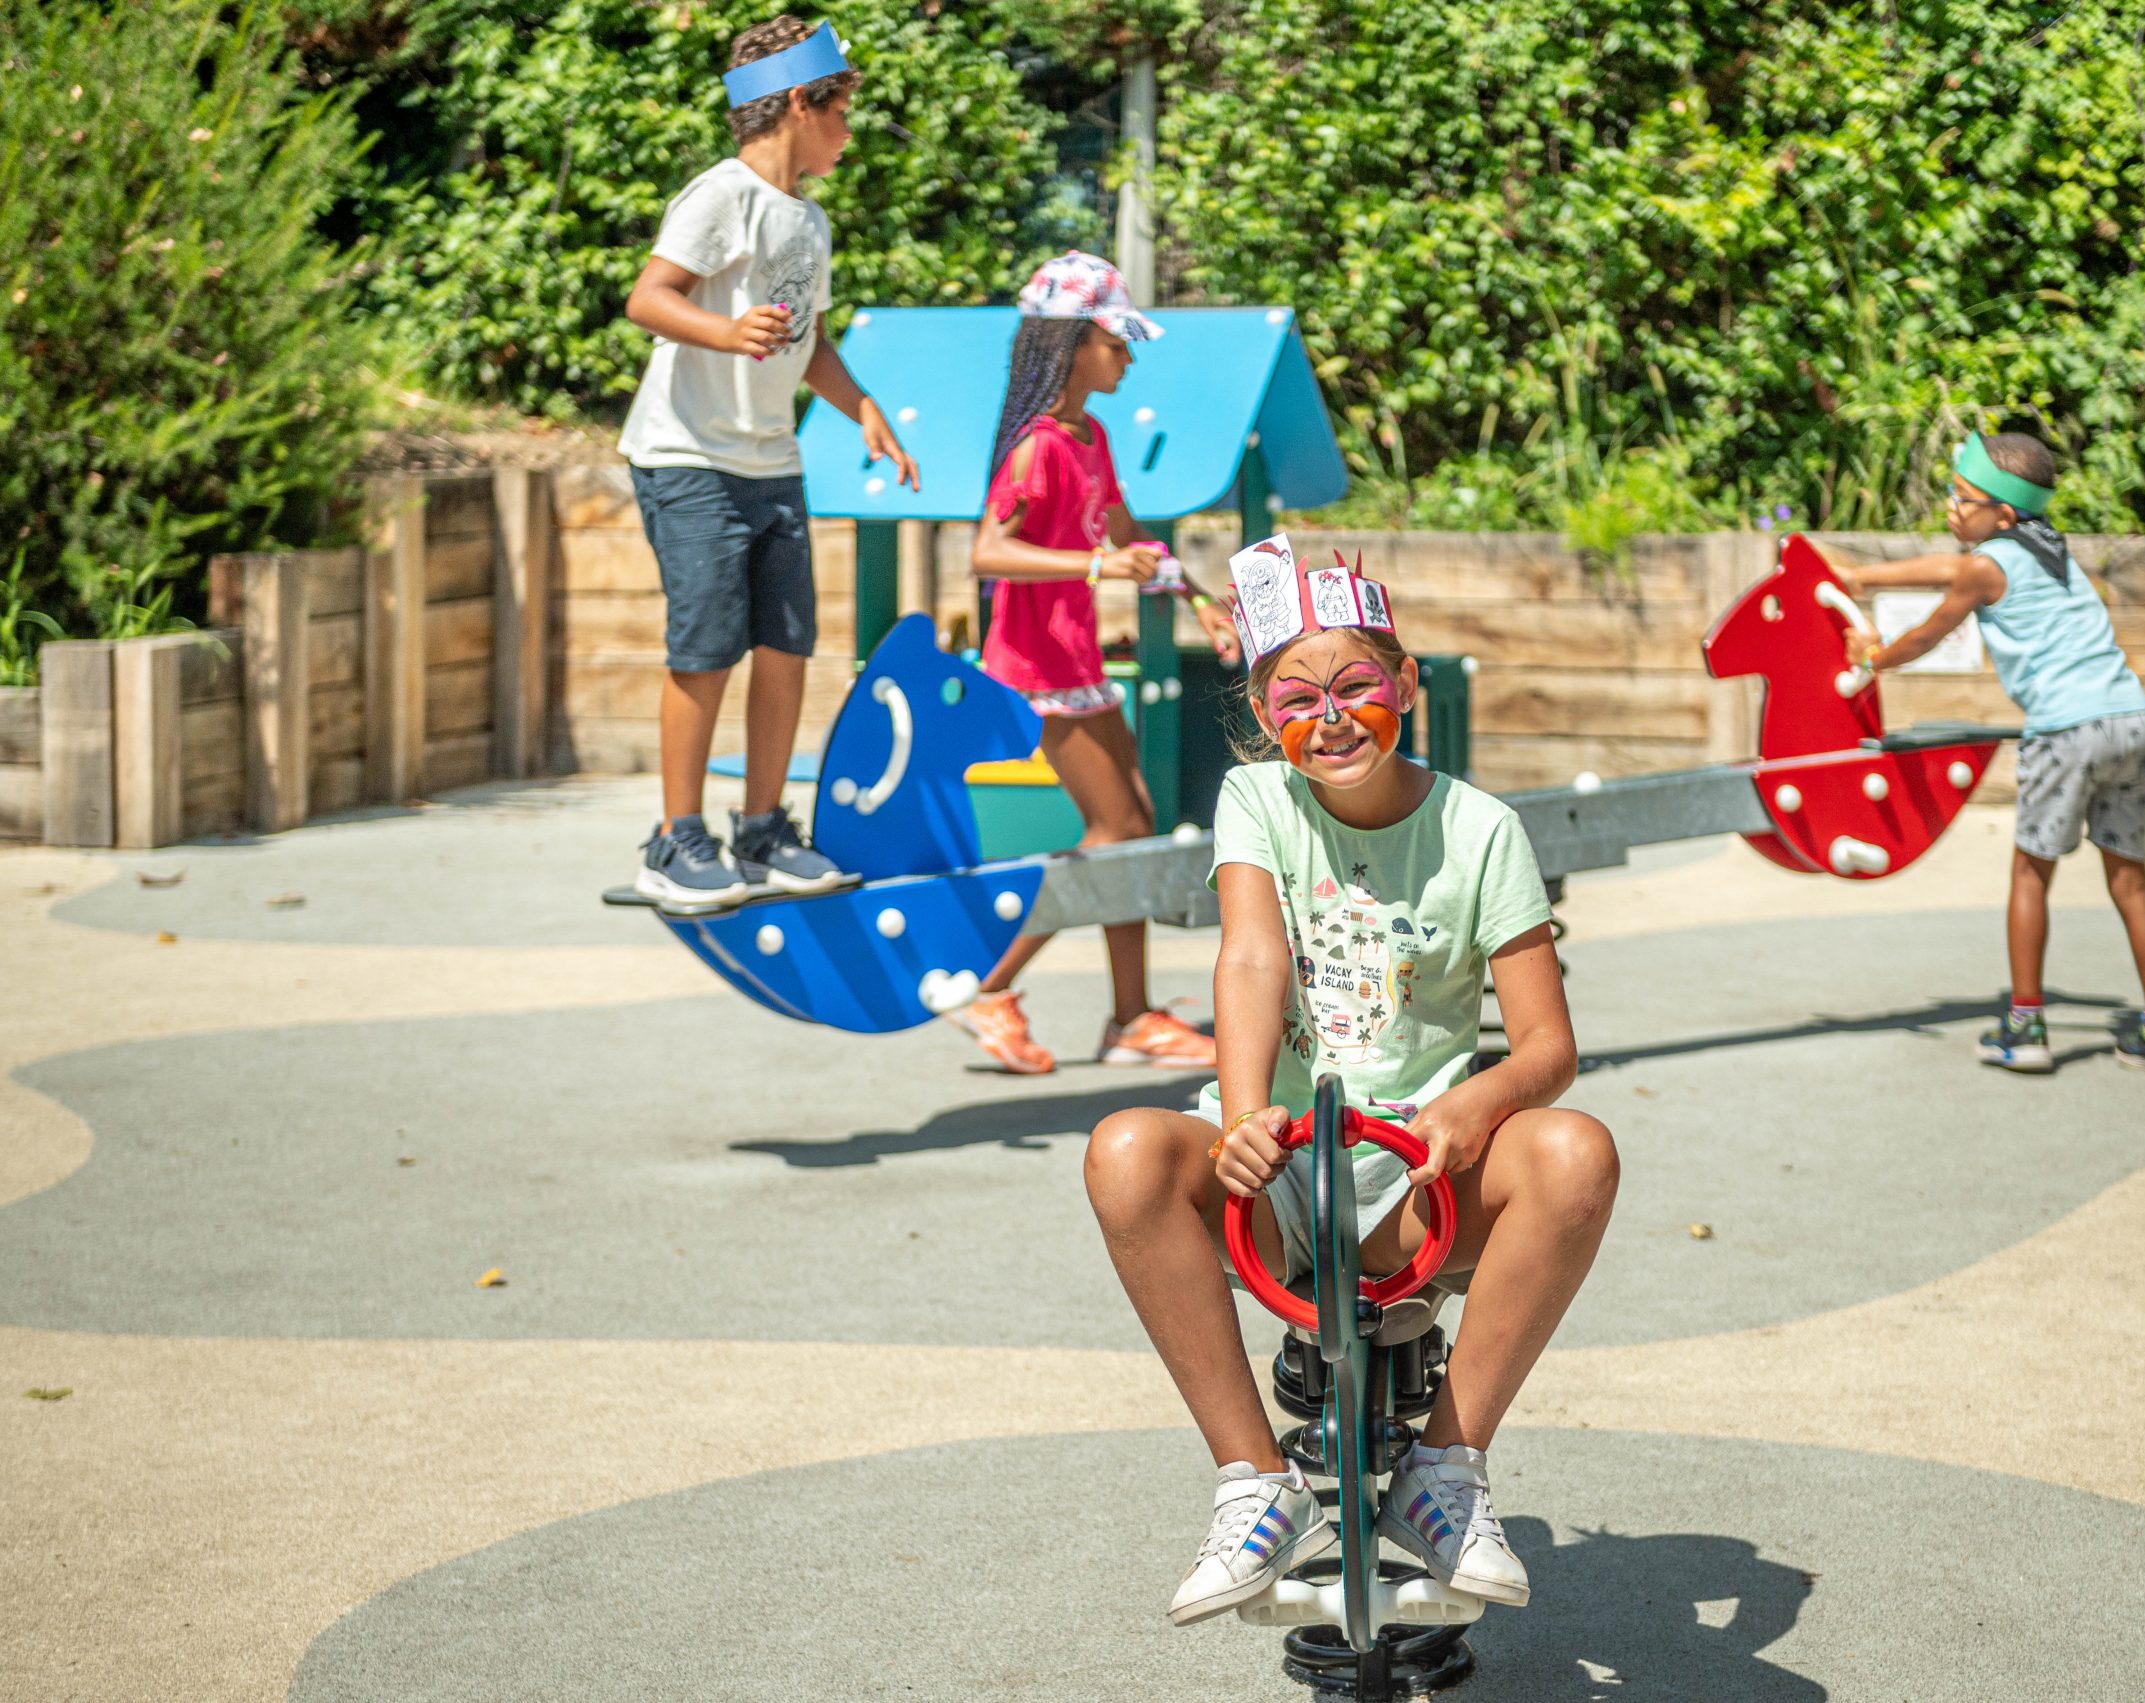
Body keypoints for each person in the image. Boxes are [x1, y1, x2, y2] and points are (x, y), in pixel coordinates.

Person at [1084, 537, 1620, 1624]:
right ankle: (1256, 1482)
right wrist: (1242, 1115)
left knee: (1577, 1150)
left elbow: (1546, 1047)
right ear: (1265, 713)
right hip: (1279, 1171)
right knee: (1125, 1150)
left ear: (1406, 681)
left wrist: (1474, 1101)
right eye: (1295, 698)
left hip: (1418, 1178)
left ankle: (1445, 1467)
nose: (1327, 719)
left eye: (1355, 686)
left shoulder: (1481, 829)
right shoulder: (1259, 798)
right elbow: (1251, 953)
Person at [618, 15, 918, 907]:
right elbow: (649, 297)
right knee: (706, 649)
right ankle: (675, 840)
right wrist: (724, 328)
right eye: (842, 114)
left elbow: (809, 341)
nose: (849, 133)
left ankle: (759, 832)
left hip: (769, 459)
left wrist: (863, 407)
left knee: (785, 647)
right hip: (688, 456)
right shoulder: (719, 196)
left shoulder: (808, 220)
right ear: (798, 103)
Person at [1831, 431, 2145, 1078]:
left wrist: (1872, 658)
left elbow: (1926, 631)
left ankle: (2025, 1027)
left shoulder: (1986, 564)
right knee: (2130, 882)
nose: (1950, 505)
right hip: (2129, 721)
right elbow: (1942, 567)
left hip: (2066, 731)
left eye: (1963, 497)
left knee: (2031, 875)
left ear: (2001, 514)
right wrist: (1857, 576)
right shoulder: (2049, 550)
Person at [953, 252, 1241, 1074]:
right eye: (1117, 341)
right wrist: (1092, 569)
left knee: (1132, 829)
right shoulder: (1036, 447)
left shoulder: (1091, 438)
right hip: (1034, 667)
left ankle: (1130, 1018)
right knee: (1115, 829)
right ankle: (992, 989)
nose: (1128, 357)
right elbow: (987, 550)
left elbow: (1126, 537)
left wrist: (1197, 599)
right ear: (1075, 342)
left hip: (1075, 660)